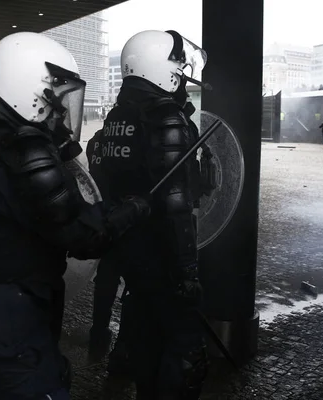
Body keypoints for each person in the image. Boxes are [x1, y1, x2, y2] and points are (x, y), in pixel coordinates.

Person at [0, 32, 151, 400]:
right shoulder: (25, 151)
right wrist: (131, 210)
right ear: (28, 86)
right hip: (10, 315)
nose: (61, 111)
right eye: (55, 96)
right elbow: (84, 236)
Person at [92, 30, 209, 399]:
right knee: (185, 353)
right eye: (176, 61)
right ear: (157, 65)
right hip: (162, 253)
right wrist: (187, 271)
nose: (180, 69)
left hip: (129, 250)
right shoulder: (165, 116)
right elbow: (175, 205)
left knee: (145, 337)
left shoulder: (117, 116)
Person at [85, 128, 122, 358]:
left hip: (106, 214)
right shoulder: (143, 131)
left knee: (107, 276)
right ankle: (125, 347)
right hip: (131, 214)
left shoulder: (98, 138)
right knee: (138, 281)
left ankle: (98, 332)